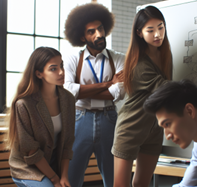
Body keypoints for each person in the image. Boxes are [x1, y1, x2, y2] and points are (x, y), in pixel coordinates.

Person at [111, 5, 197, 187]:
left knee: (142, 184)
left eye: (161, 27)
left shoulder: (164, 56)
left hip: (154, 130)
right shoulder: (140, 65)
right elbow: (180, 96)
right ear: (139, 33)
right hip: (131, 127)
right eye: (150, 30)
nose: (157, 34)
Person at [63, 3, 125, 187]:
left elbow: (119, 92)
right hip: (79, 119)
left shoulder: (119, 58)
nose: (98, 34)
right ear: (82, 36)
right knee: (72, 177)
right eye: (91, 31)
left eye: (100, 28)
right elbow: (68, 91)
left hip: (109, 118)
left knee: (114, 178)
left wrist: (82, 91)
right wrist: (107, 84)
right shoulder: (73, 59)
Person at [5, 47, 75, 187]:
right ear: (39, 74)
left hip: (53, 163)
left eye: (61, 65)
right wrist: (55, 179)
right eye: (53, 69)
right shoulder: (24, 104)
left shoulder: (68, 99)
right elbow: (31, 151)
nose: (61, 72)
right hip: (27, 167)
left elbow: (67, 142)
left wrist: (64, 176)